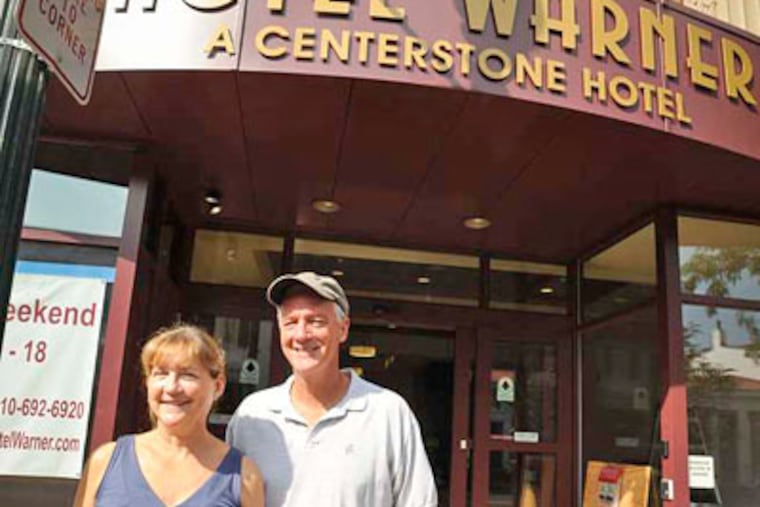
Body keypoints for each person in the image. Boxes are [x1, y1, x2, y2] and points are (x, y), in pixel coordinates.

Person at [226, 272, 438, 507]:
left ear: (343, 329)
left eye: (316, 321)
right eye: (290, 322)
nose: (301, 335)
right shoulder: (253, 416)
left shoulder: (387, 413)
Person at [73, 325, 264, 507]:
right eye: (161, 374)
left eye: (188, 375)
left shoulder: (243, 476)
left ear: (218, 386)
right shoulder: (105, 462)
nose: (172, 387)